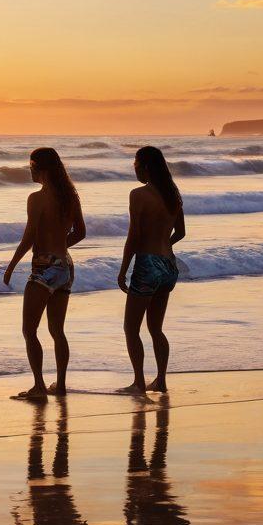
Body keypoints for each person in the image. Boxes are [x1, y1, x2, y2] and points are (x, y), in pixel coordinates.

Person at [3, 148, 86, 400]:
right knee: (57, 330)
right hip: (66, 267)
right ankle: (59, 385)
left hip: (43, 268)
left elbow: (28, 237)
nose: (29, 169)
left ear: (42, 168)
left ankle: (39, 387)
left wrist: (11, 265)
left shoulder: (36, 198)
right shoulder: (71, 197)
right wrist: (59, 248)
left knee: (29, 330)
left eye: (31, 164)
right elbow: (80, 232)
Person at [117, 147, 185, 394]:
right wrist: (164, 244)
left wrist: (123, 269)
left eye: (135, 164)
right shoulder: (173, 195)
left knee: (131, 328)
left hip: (148, 265)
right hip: (169, 266)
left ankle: (138, 383)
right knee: (155, 328)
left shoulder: (138, 195)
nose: (134, 168)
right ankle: (161, 380)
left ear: (145, 167)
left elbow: (134, 236)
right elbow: (181, 232)